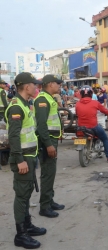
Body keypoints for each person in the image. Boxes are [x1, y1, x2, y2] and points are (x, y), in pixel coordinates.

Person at [5, 72, 46, 249]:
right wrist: (19, 160)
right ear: (26, 86)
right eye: (34, 84)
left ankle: (27, 225)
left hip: (29, 155)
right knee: (22, 196)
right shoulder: (16, 107)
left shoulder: (25, 104)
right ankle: (20, 235)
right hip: (23, 158)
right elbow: (14, 137)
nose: (36, 87)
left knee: (27, 193)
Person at [34, 74, 65, 218]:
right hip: (47, 142)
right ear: (50, 84)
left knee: (51, 172)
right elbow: (41, 125)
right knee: (47, 173)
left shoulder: (48, 98)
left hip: (51, 140)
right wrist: (48, 145)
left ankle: (50, 200)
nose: (59, 86)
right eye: (57, 83)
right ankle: (44, 206)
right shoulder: (42, 100)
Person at [75, 85, 108, 162]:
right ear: (91, 94)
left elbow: (77, 114)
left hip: (80, 127)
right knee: (105, 138)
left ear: (81, 94)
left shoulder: (77, 104)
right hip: (93, 126)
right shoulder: (95, 103)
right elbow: (104, 110)